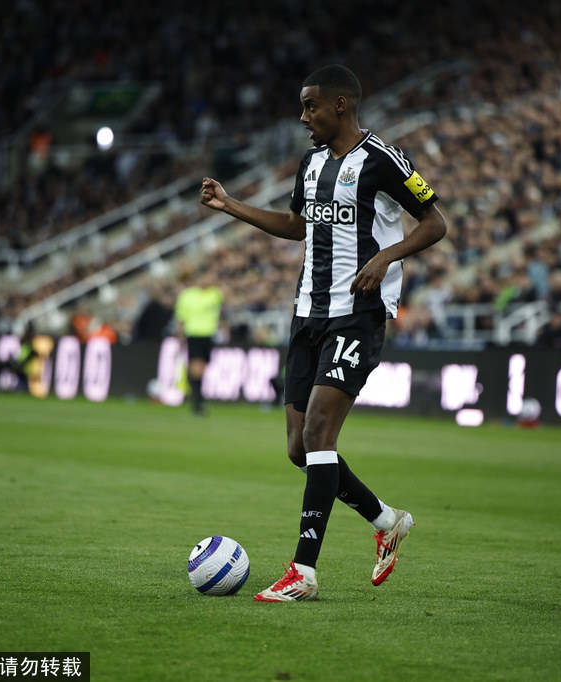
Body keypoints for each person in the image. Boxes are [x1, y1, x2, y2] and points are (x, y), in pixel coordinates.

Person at [199, 64, 448, 601]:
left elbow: (435, 223)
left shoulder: (383, 159)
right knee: (299, 448)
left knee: (318, 433)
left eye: (310, 106)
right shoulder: (311, 164)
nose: (302, 116)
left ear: (341, 104)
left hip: (358, 312)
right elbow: (296, 226)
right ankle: (386, 521)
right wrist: (229, 205)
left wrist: (385, 256)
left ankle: (303, 572)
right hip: (307, 314)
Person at [174, 270, 224, 415]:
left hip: (209, 335)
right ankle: (197, 402)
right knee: (196, 367)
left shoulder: (215, 294)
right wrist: (180, 337)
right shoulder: (187, 296)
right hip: (194, 334)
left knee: (202, 368)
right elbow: (181, 319)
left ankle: (196, 398)